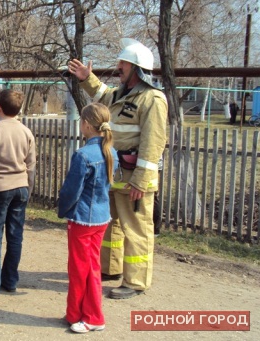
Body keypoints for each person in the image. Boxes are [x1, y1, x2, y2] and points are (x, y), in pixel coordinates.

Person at [68, 38, 167, 299]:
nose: (118, 66)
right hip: (115, 175)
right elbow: (101, 94)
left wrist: (142, 181)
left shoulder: (152, 99)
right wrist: (86, 78)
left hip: (135, 179)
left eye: (123, 63)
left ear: (136, 67)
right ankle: (110, 269)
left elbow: (153, 141)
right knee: (111, 226)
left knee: (136, 229)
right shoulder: (120, 93)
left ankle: (136, 282)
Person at [58, 103, 118, 333]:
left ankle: (90, 316)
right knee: (91, 267)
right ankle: (78, 313)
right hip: (101, 218)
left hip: (82, 219)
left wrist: (63, 209)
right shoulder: (110, 150)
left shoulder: (84, 155)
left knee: (80, 269)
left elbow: (71, 191)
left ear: (86, 124)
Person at [0, 89, 36, 297]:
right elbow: (31, 166)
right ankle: (11, 281)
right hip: (21, 186)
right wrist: (28, 190)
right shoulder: (26, 132)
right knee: (16, 236)